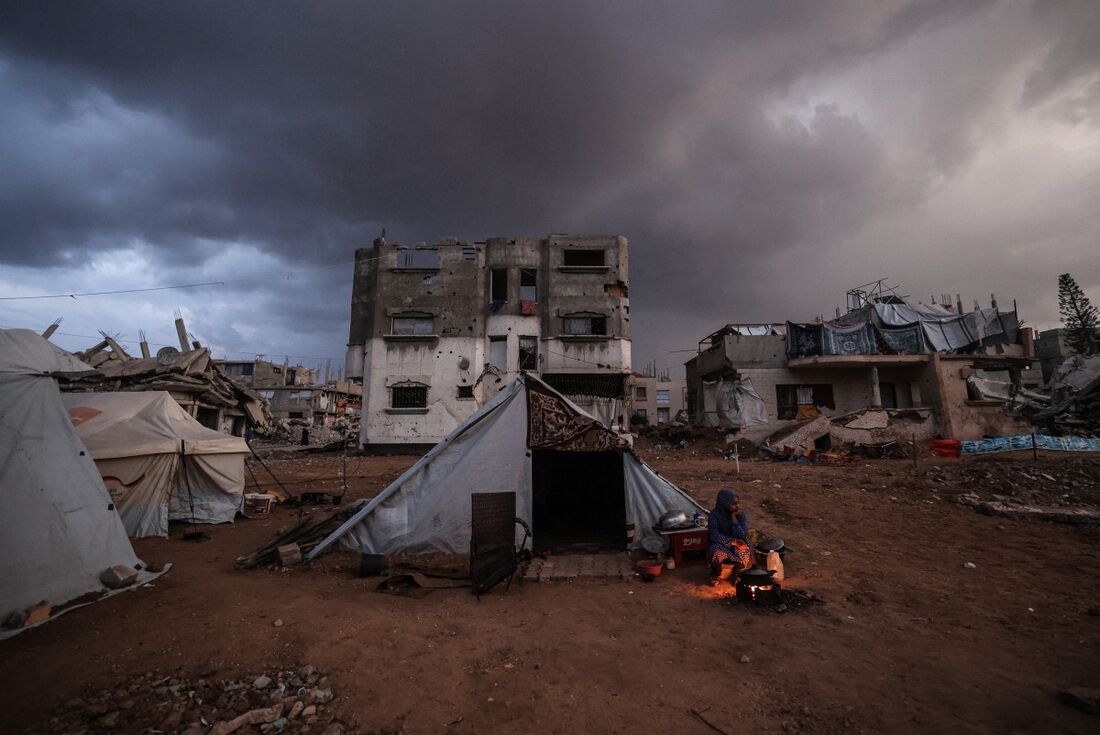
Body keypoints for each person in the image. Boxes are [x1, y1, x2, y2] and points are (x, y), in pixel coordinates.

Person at [707, 488, 753, 583]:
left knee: (745, 548)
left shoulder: (740, 515)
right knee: (714, 548)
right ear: (724, 504)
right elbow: (714, 535)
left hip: (736, 549)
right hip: (723, 546)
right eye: (734, 504)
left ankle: (737, 572)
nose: (737, 506)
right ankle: (716, 574)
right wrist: (732, 541)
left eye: (738, 503)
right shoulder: (714, 515)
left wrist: (735, 520)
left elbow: (743, 536)